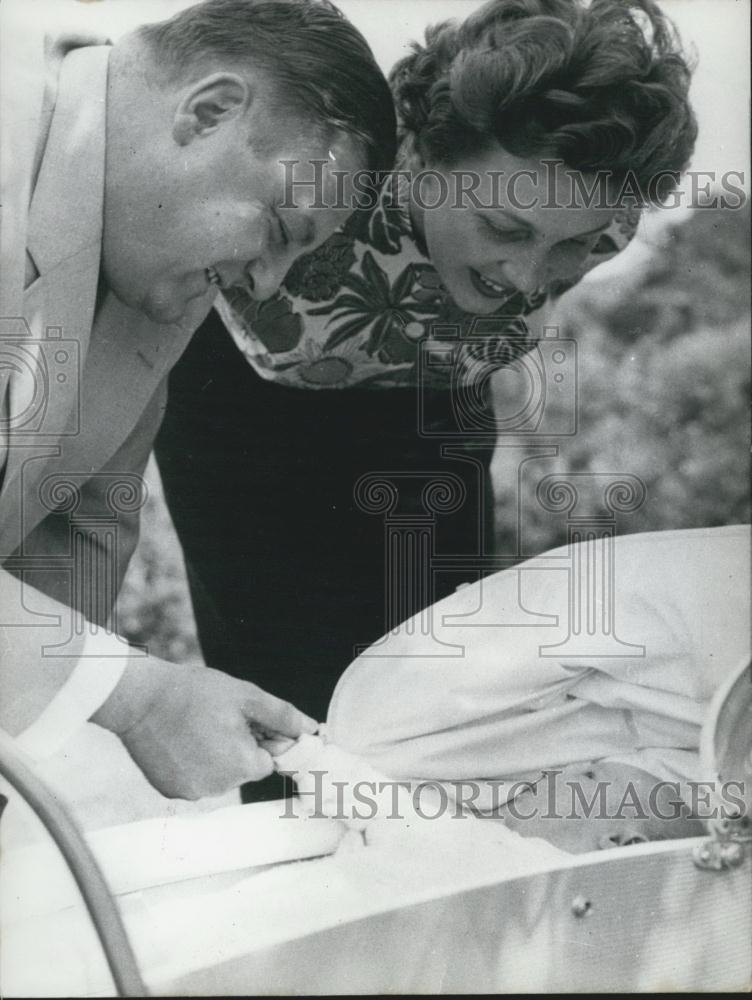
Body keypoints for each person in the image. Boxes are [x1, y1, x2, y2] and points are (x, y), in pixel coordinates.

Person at [154, 0, 697, 798]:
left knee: (455, 685)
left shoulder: (604, 214)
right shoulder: (322, 167)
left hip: (432, 402)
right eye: (505, 228)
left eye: (573, 243)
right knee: (296, 716)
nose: (528, 276)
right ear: (419, 158)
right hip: (244, 400)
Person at [0, 0, 396, 798]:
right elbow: (106, 682)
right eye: (282, 228)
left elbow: (70, 548)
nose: (265, 283)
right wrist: (136, 698)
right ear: (209, 111)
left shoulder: (157, 272)